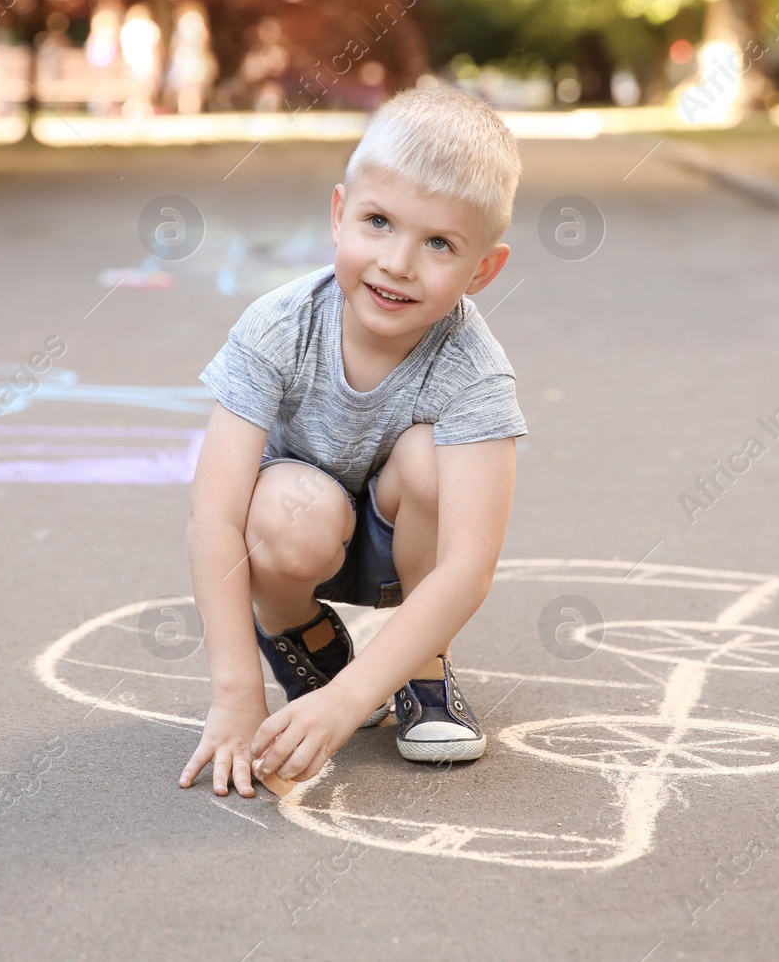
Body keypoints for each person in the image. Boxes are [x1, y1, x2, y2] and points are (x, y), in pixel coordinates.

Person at [178, 82, 527, 798]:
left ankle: (419, 665)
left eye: (439, 243)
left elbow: (469, 564)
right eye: (378, 222)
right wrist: (236, 693)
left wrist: (346, 704)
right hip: (296, 534)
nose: (398, 262)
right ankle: (297, 631)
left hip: (407, 549)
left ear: (483, 269)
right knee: (282, 506)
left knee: (429, 460)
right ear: (340, 215)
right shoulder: (279, 326)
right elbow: (213, 515)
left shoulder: (474, 369)